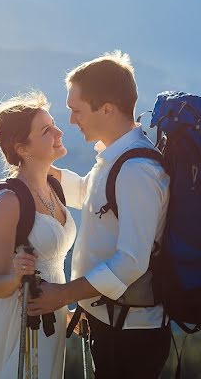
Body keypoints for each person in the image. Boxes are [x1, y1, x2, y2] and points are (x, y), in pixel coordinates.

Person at [29, 51, 172, 379]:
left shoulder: (137, 171)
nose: (72, 121)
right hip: (113, 322)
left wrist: (64, 295)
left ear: (106, 109)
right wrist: (37, 171)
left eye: (76, 110)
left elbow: (132, 262)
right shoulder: (117, 158)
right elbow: (91, 197)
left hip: (130, 335)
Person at [0, 91, 76, 379]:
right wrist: (14, 275)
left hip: (51, 315)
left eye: (53, 124)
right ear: (22, 148)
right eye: (46, 130)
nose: (59, 132)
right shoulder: (9, 201)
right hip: (16, 322)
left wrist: (67, 307)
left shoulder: (55, 189)